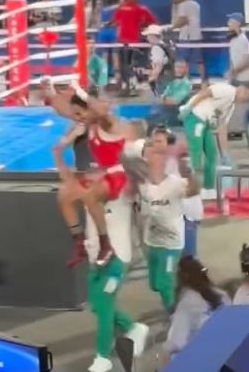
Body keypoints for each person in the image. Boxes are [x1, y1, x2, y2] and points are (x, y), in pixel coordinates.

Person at [52, 86, 146, 266]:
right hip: (102, 174)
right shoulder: (87, 124)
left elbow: (101, 112)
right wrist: (52, 95)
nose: (77, 118)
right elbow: (67, 112)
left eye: (80, 113)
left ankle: (106, 243)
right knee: (64, 195)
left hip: (118, 173)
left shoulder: (108, 123)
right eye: (76, 115)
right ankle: (78, 242)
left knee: (90, 194)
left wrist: (80, 92)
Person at [85, 194, 149, 372]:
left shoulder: (121, 194)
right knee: (97, 306)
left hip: (116, 261)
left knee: (104, 308)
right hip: (96, 261)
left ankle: (102, 356)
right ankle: (132, 328)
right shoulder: (89, 193)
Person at [139, 142, 200, 313]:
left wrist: (187, 172)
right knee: (155, 284)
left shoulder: (174, 183)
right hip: (152, 242)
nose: (148, 159)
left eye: (155, 154)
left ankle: (175, 317)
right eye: (147, 155)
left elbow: (194, 190)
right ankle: (178, 300)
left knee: (164, 284)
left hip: (171, 244)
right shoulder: (142, 185)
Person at [179, 83, 249, 198]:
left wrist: (224, 153)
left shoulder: (231, 106)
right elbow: (205, 93)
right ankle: (194, 188)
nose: (245, 99)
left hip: (207, 122)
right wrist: (189, 107)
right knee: (197, 154)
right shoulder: (228, 90)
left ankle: (208, 188)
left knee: (212, 154)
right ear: (241, 89)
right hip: (195, 116)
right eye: (246, 95)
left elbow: (222, 128)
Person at [163, 256, 230, 362]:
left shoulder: (186, 304)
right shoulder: (222, 296)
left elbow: (176, 342)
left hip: (202, 356)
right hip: (226, 351)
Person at [172, 0, 205, 84]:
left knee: (184, 61)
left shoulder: (183, 5)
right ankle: (203, 81)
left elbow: (183, 20)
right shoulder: (196, 4)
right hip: (197, 36)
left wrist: (170, 28)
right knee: (199, 61)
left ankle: (185, 82)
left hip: (186, 37)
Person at [227, 12, 249, 86]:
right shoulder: (233, 39)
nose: (228, 24)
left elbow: (247, 61)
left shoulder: (243, 40)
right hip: (236, 78)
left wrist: (232, 71)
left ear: (237, 24)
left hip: (245, 80)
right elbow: (232, 59)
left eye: (230, 21)